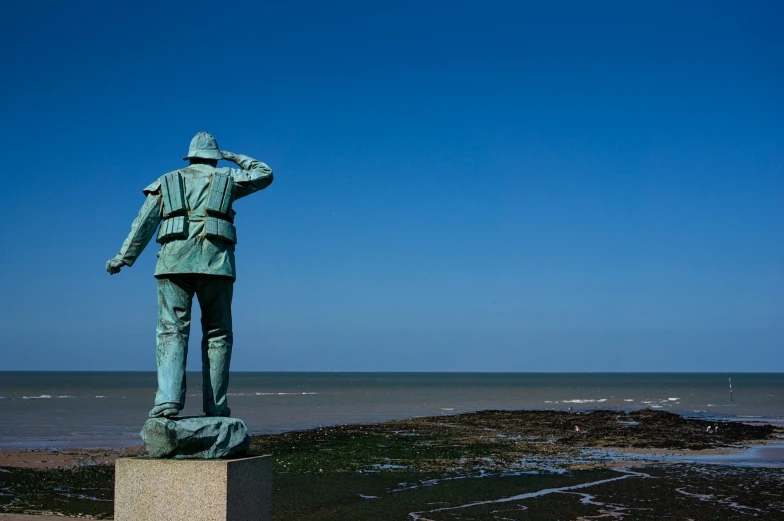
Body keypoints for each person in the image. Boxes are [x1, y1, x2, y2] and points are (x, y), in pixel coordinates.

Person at [106, 132, 273, 418]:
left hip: (174, 264)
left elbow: (143, 223)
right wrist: (232, 155)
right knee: (218, 334)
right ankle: (215, 405)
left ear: (190, 155)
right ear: (214, 157)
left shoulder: (167, 180)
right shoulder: (229, 178)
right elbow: (264, 173)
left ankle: (168, 401)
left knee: (171, 330)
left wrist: (124, 257)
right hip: (216, 264)